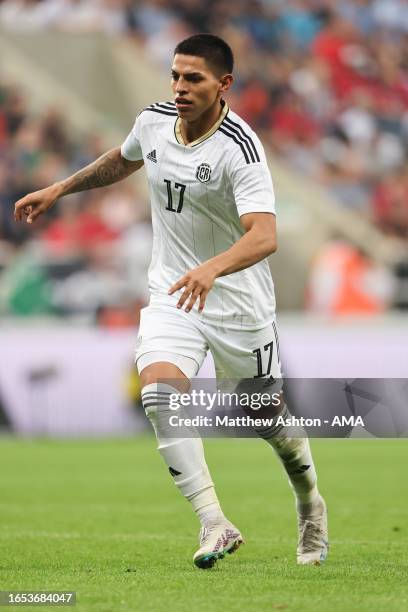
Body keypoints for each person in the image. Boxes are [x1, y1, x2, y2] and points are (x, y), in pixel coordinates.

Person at [14, 33, 328, 569]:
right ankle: (215, 521)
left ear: (224, 84)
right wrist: (60, 189)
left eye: (194, 79)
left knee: (268, 420)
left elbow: (264, 236)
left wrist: (210, 268)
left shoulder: (241, 149)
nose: (180, 87)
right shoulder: (155, 119)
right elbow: (124, 159)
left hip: (239, 307)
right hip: (173, 295)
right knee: (160, 394)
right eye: (176, 75)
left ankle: (310, 503)